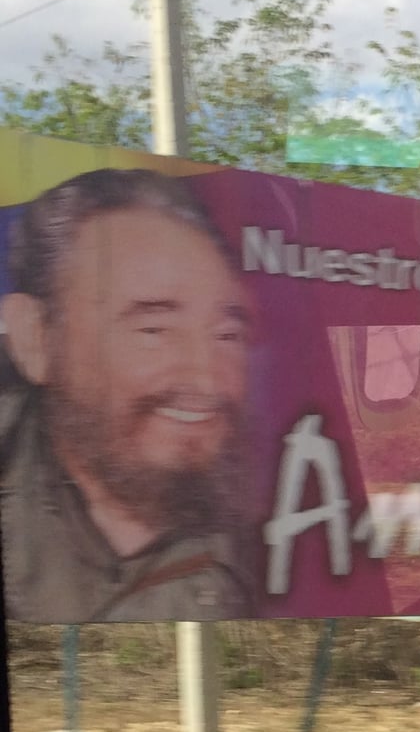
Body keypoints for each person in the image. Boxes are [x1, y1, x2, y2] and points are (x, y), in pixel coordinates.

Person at [0, 168, 256, 622]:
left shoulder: (272, 517)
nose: (206, 382)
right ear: (35, 339)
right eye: (154, 330)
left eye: (226, 334)